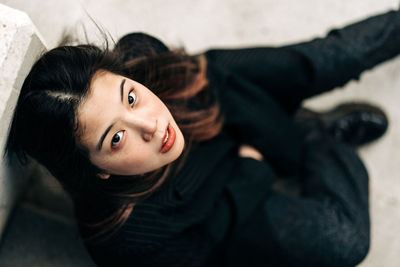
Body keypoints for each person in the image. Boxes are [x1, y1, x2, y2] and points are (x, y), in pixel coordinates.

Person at [5, 8, 399, 267]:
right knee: (342, 241)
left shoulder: (145, 56)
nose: (151, 125)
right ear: (95, 170)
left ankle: (297, 127)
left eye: (130, 95)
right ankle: (321, 138)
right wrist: (250, 170)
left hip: (217, 96)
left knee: (328, 56)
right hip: (227, 194)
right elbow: (207, 250)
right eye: (117, 138)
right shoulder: (126, 236)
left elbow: (216, 84)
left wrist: (267, 119)